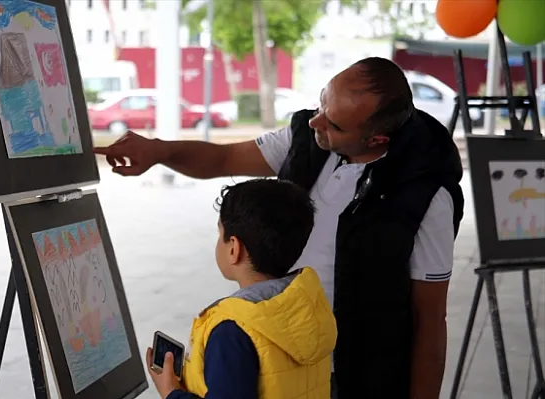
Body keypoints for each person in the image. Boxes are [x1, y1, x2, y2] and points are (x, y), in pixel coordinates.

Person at [95, 57, 465, 399]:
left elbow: (429, 319)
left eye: (332, 123)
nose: (316, 121)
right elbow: (224, 158)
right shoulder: (308, 140)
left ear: (376, 139)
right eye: (322, 103)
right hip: (280, 356)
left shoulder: (425, 196)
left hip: (363, 372)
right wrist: (160, 151)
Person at [145, 178, 337, 399]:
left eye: (220, 234)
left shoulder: (231, 332)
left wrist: (171, 392)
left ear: (234, 248)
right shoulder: (309, 306)